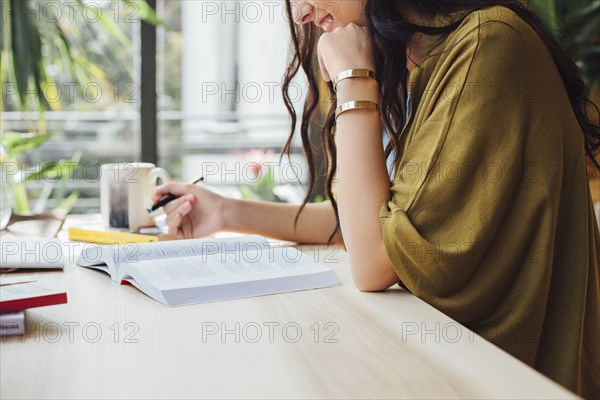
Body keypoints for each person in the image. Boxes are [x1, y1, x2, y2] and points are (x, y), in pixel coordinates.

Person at [153, 0, 599, 396]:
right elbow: (375, 222)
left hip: (497, 377)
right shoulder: (423, 59)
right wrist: (227, 211)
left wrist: (353, 83)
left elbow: (373, 260)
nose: (302, 14)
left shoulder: (486, 45)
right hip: (438, 358)